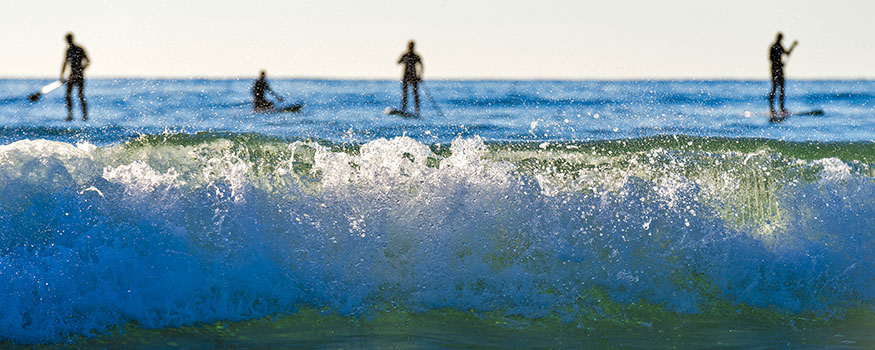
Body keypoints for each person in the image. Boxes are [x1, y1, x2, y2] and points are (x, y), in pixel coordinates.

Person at [60, 33, 90, 121]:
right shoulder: (68, 51)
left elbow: (88, 61)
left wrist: (82, 69)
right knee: (68, 95)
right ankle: (70, 115)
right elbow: (65, 63)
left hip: (80, 76)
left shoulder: (80, 49)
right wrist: (62, 76)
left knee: (81, 96)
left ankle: (85, 116)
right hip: (71, 75)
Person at [768, 32, 797, 119]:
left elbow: (787, 53)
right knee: (775, 88)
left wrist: (793, 46)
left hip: (779, 69)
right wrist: (779, 63)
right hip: (775, 69)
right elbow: (770, 58)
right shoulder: (773, 46)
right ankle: (772, 109)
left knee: (781, 88)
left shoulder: (780, 46)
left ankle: (781, 108)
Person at [397, 40, 424, 115]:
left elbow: (422, 66)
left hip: (413, 77)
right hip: (406, 77)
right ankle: (404, 109)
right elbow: (398, 62)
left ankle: (417, 111)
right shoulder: (405, 55)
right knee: (405, 94)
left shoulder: (415, 56)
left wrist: (420, 75)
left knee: (415, 94)